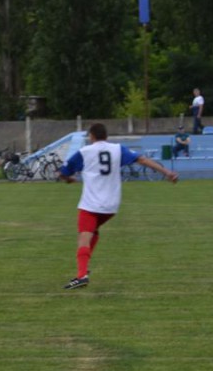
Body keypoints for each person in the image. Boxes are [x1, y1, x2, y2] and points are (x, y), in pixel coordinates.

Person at [58, 123, 178, 290]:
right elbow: (142, 159)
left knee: (84, 237)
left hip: (91, 204)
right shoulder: (117, 149)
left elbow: (62, 172)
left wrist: (68, 179)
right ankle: (84, 270)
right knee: (93, 232)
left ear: (91, 137)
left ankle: (81, 276)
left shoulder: (85, 152)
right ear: (106, 136)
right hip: (111, 206)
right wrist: (167, 173)